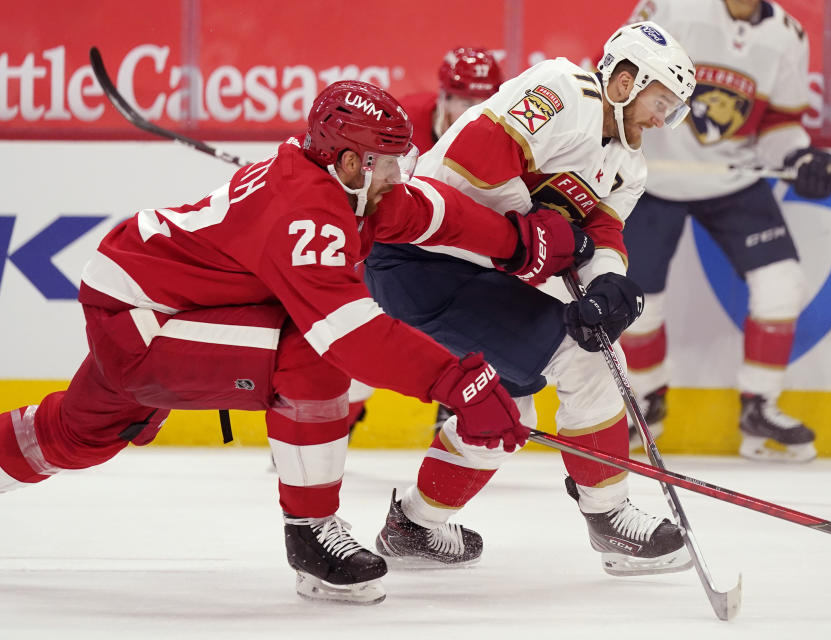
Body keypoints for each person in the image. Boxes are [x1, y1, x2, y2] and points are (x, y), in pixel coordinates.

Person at [0, 81, 588, 605]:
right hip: (143, 319)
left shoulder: (344, 186)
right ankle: (312, 534)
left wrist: (516, 239)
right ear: (350, 161)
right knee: (310, 353)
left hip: (150, 297)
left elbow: (428, 211)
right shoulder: (307, 211)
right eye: (387, 163)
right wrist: (457, 381)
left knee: (77, 434)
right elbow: (352, 337)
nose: (399, 175)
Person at [364, 22, 698, 575]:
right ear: (623, 80)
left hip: (478, 270)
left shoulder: (629, 168)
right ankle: (610, 517)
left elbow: (601, 237)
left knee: (500, 408)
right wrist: (539, 235)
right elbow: (472, 162)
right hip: (425, 257)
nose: (663, 119)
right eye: (659, 101)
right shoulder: (563, 90)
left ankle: (414, 526)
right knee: (585, 359)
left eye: (672, 109)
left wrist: (608, 285)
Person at [617, 0, 831, 462]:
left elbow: (779, 124)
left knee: (781, 284)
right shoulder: (669, 9)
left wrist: (801, 157)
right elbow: (619, 85)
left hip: (735, 178)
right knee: (639, 303)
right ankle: (646, 403)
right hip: (654, 177)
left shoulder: (788, 34)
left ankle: (760, 405)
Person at [345, 47, 505, 439]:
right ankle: (337, 420)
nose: (473, 111)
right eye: (464, 101)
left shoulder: (505, 135)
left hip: (456, 247)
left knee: (469, 326)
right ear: (444, 97)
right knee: (362, 341)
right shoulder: (401, 123)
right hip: (391, 250)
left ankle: (455, 413)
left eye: (483, 102)